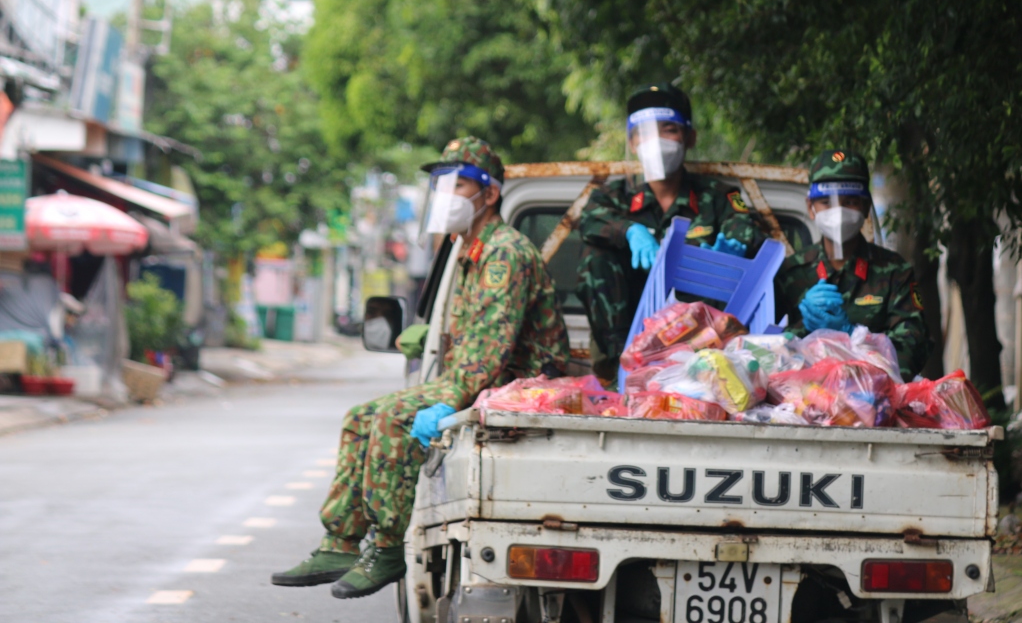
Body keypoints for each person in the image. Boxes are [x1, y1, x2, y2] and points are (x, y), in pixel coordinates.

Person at [271, 136, 570, 598]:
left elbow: (488, 353)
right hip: (489, 380)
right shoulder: (468, 249)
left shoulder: (503, 253)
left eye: (460, 185)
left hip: (523, 389)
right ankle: (341, 541)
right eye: (441, 184)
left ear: (489, 195)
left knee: (395, 417)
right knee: (360, 418)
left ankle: (389, 546)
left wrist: (447, 399)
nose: (446, 195)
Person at [576, 82, 766, 381]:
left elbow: (746, 228)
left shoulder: (717, 196)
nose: (657, 141)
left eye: (669, 129)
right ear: (633, 141)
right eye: (646, 133)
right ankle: (619, 373)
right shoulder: (613, 196)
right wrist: (629, 230)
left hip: (701, 343)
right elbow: (588, 222)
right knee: (595, 255)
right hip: (628, 337)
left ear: (689, 137)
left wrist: (729, 251)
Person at [775, 149, 930, 380]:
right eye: (826, 202)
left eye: (849, 202)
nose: (838, 212)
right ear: (810, 207)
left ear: (866, 207)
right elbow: (767, 351)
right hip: (804, 405)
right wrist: (804, 330)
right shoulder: (790, 273)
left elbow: (912, 353)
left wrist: (852, 336)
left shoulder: (894, 272)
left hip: (875, 405)